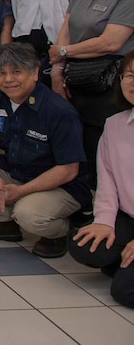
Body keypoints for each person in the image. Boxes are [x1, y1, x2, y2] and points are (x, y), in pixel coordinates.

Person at [0, 42, 91, 258]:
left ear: (35, 73)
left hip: (60, 186)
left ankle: (59, 232)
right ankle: (3, 223)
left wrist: (21, 192)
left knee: (29, 214)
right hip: (19, 171)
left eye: (17, 72)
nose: (8, 79)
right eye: (1, 73)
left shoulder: (58, 111)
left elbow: (68, 170)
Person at [50, 0, 134, 185]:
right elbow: (67, 26)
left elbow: (111, 42)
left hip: (107, 79)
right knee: (74, 141)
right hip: (75, 75)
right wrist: (57, 69)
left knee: (100, 145)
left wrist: (64, 51)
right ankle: (81, 202)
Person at [69, 49, 134, 307]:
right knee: (84, 245)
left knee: (124, 293)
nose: (133, 83)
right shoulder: (115, 124)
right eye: (129, 75)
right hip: (128, 217)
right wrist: (104, 221)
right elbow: (106, 179)